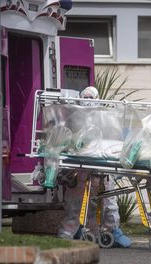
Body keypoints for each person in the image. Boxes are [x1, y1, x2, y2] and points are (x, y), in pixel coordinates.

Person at [57, 86, 132, 248]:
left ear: (98, 98)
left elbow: (115, 135)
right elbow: (68, 140)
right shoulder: (74, 117)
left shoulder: (104, 117)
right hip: (81, 167)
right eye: (86, 98)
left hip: (100, 165)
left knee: (107, 201)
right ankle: (71, 232)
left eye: (91, 98)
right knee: (77, 203)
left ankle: (108, 231)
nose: (89, 102)